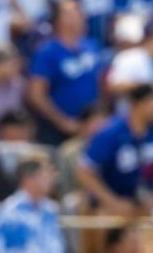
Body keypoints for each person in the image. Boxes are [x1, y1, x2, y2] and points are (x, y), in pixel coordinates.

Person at [76, 83, 153, 217]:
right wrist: (113, 202)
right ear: (137, 105)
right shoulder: (110, 134)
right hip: (111, 204)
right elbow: (85, 172)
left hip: (147, 202)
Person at [27, 0, 102, 146]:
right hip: (58, 131)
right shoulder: (47, 52)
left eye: (79, 11)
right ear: (59, 20)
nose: (79, 15)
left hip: (91, 126)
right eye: (72, 12)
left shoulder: (91, 46)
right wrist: (63, 122)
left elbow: (99, 84)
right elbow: (36, 95)